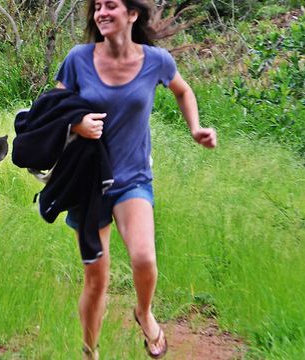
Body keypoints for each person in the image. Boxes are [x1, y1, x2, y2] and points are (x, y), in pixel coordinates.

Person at [54, 0, 217, 358]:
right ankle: (89, 351)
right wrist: (76, 124)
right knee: (97, 281)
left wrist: (195, 128)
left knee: (144, 258)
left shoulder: (156, 61)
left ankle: (143, 312)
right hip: (88, 183)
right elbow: (54, 109)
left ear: (132, 14)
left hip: (133, 179)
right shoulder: (78, 59)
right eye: (97, 7)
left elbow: (182, 90)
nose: (101, 13)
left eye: (110, 5)